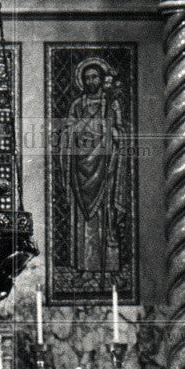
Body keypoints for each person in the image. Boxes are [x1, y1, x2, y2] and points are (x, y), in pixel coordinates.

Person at [59, 61, 128, 276]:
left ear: (101, 79)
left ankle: (107, 266)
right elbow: (67, 132)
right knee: (82, 219)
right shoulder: (77, 105)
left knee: (105, 215)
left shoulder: (111, 104)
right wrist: (82, 130)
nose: (91, 81)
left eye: (94, 77)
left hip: (104, 167)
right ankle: (83, 266)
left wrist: (114, 133)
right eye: (87, 78)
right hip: (80, 169)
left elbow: (118, 133)